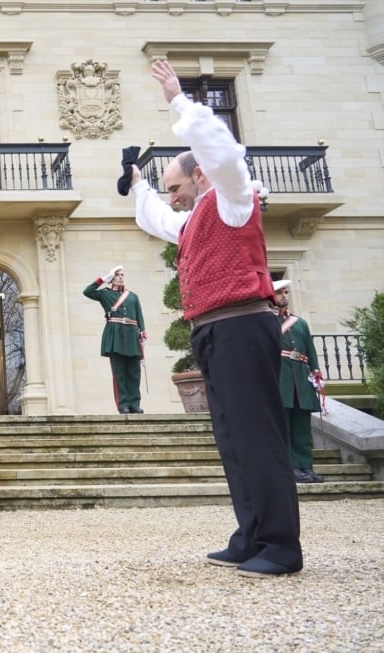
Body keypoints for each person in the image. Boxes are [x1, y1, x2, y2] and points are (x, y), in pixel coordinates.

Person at [129, 60, 303, 578]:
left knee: (256, 434)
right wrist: (138, 185)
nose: (172, 194)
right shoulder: (192, 219)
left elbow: (225, 154)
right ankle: (250, 535)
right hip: (211, 331)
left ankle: (280, 545)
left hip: (242, 326)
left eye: (174, 185)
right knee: (232, 437)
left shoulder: (232, 197)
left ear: (200, 173)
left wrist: (178, 101)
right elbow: (158, 219)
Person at [273, 279, 325, 484]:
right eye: (279, 293)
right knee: (284, 426)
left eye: (286, 292)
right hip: (281, 378)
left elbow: (310, 351)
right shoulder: (267, 321)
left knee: (302, 427)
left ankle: (306, 467)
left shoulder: (300, 323)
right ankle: (291, 467)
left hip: (301, 380)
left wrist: (316, 373)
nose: (284, 296)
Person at [83, 265, 147, 414]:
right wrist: (102, 279)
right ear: (112, 278)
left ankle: (134, 404)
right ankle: (123, 404)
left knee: (134, 373)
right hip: (115, 335)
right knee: (119, 373)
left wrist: (143, 333)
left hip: (132, 335)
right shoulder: (105, 294)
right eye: (117, 275)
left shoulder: (132, 296)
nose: (120, 277)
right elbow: (87, 292)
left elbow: (139, 316)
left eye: (122, 275)